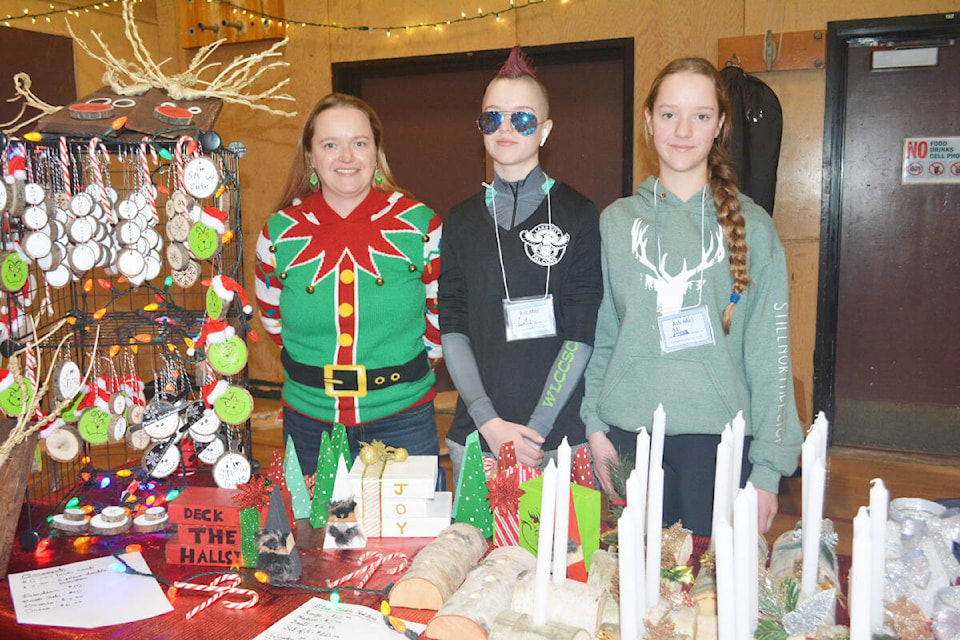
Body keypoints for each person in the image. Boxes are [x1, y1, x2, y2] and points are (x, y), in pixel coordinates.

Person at [580, 57, 801, 536]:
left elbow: (770, 355)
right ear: (648, 121)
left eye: (701, 115)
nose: (683, 130)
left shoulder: (754, 227)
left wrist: (767, 470)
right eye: (668, 114)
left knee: (706, 598)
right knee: (630, 593)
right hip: (629, 439)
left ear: (720, 124)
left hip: (717, 445)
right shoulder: (616, 223)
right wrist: (594, 424)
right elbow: (604, 333)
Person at [255, 93, 444, 486]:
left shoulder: (422, 226)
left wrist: (396, 379)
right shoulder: (278, 234)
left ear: (376, 152)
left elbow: (440, 319)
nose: (346, 157)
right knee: (314, 543)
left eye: (359, 143)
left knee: (409, 543)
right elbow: (273, 322)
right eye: (330, 144)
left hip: (402, 419)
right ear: (310, 156)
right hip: (309, 424)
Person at [439, 47, 602, 484]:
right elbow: (452, 327)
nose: (506, 128)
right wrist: (489, 423)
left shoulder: (579, 214)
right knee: (473, 553)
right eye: (492, 118)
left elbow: (582, 332)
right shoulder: (458, 221)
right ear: (481, 129)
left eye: (523, 118)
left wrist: (536, 430)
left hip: (558, 438)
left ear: (545, 131)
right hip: (479, 436)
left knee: (561, 554)